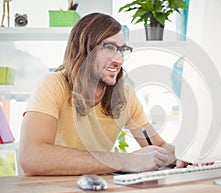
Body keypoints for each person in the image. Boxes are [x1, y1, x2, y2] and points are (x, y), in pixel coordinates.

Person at [19, 13, 187, 176]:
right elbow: (31, 157)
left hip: (99, 191)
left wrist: (187, 156)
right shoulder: (54, 84)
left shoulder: (124, 96)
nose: (119, 60)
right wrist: (126, 161)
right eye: (109, 48)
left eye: (122, 50)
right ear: (85, 49)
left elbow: (159, 146)